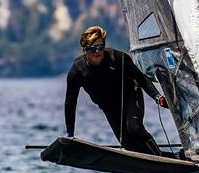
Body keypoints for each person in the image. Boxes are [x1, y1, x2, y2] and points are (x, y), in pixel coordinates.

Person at [65, 25, 168, 156]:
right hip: (109, 106)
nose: (97, 52)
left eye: (100, 47)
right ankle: (170, 158)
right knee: (127, 144)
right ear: (84, 50)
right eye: (92, 49)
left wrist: (157, 97)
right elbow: (70, 103)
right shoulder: (77, 71)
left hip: (130, 95)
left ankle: (158, 159)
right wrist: (70, 134)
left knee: (135, 129)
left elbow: (141, 78)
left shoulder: (117, 58)